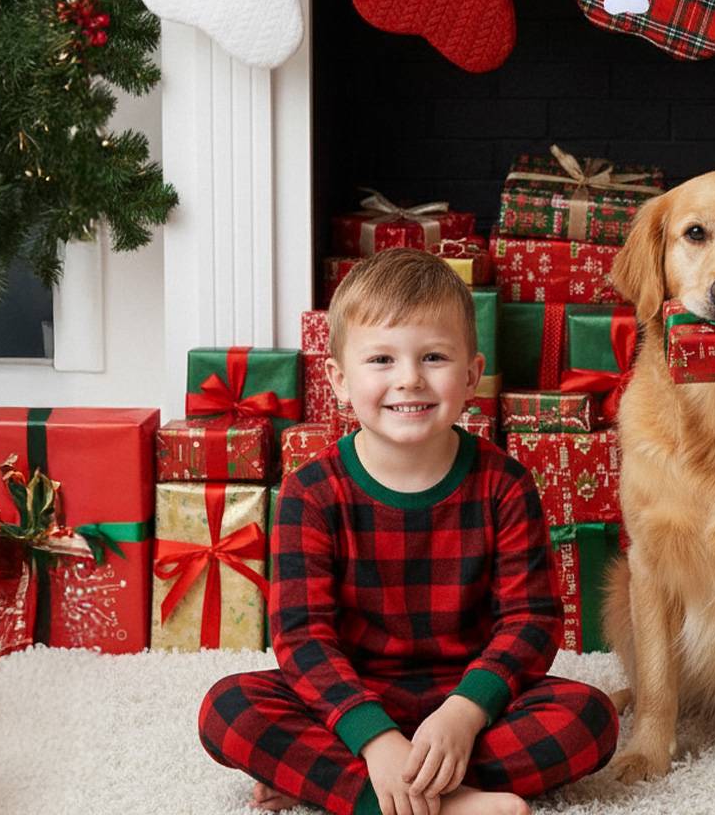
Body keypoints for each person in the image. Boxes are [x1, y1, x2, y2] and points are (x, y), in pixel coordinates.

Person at [199, 248, 618, 815]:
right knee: (229, 709)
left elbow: (532, 622)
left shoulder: (506, 485)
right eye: (381, 360)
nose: (410, 379)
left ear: (471, 374)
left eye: (434, 356)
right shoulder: (311, 492)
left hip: (467, 696)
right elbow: (303, 637)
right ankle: (438, 801)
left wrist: (465, 713)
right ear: (340, 381)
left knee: (589, 718)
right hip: (352, 694)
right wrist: (371, 736)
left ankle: (338, 784)